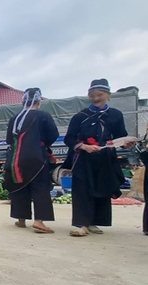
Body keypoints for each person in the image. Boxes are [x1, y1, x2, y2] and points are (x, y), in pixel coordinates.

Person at [63, 79, 135, 237]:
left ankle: (94, 222)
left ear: (108, 95)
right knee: (82, 191)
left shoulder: (115, 115)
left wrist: (125, 144)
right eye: (92, 95)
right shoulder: (80, 117)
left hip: (105, 158)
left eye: (99, 95)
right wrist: (84, 146)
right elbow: (69, 139)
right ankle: (82, 224)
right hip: (83, 159)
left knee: (102, 188)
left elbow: (119, 137)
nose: (95, 98)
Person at [3, 88, 59, 233]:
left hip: (15, 158)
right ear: (39, 101)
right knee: (40, 186)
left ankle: (21, 219)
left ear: (23, 102)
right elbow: (53, 135)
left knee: (19, 185)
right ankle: (39, 221)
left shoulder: (14, 119)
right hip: (36, 157)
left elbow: (9, 139)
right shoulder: (44, 116)